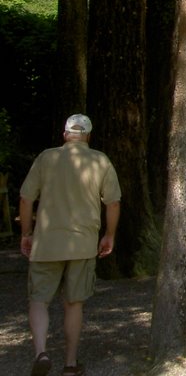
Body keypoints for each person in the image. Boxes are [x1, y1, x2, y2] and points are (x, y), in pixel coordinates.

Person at [19, 114, 121, 376]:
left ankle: (41, 352)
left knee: (39, 300)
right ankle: (70, 364)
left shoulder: (46, 158)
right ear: (88, 136)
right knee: (74, 303)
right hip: (83, 243)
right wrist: (109, 234)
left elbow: (26, 198)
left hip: (46, 242)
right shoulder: (100, 160)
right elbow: (112, 203)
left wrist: (26, 233)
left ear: (65, 134)